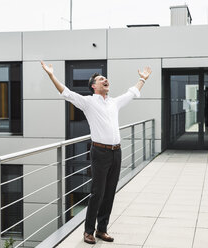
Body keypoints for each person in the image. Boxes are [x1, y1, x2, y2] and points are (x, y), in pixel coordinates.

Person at [41, 61, 151, 244]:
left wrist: (142, 79)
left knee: (110, 192)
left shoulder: (114, 103)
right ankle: (88, 231)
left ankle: (102, 230)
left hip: (116, 152)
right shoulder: (88, 102)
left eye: (105, 78)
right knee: (97, 192)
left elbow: (131, 93)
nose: (105, 80)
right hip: (100, 152)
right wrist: (51, 75)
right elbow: (66, 93)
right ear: (94, 86)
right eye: (101, 79)